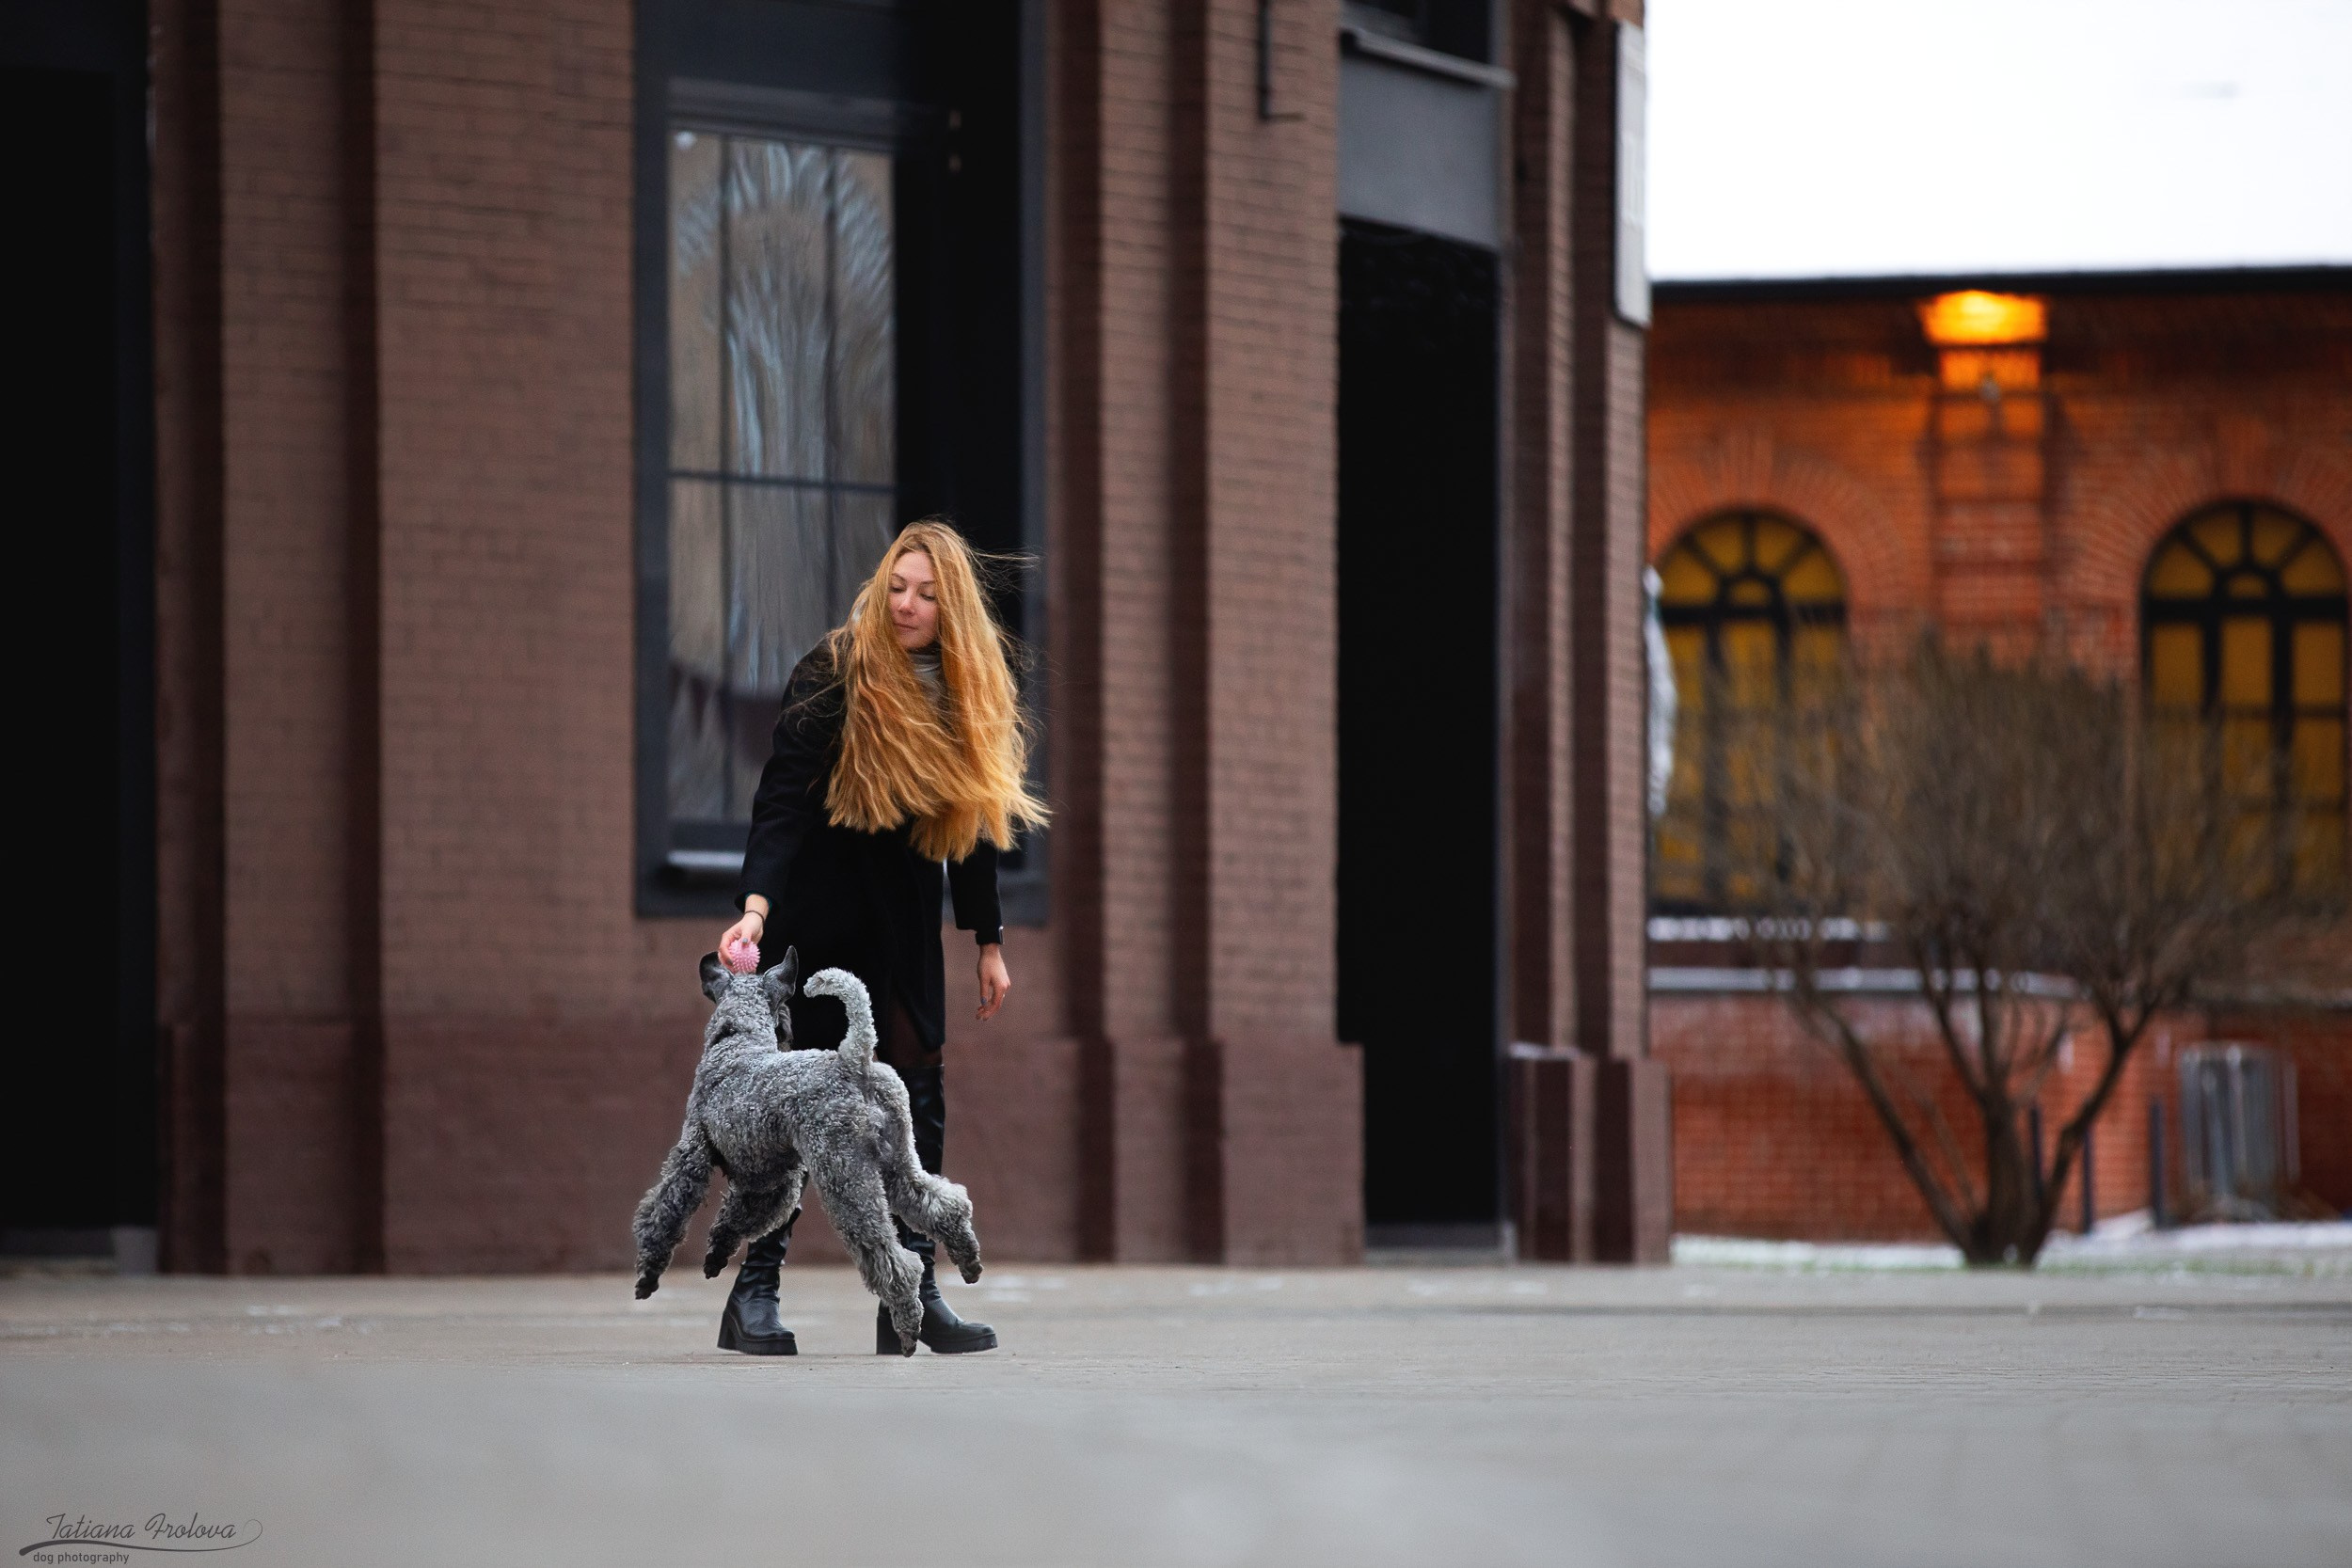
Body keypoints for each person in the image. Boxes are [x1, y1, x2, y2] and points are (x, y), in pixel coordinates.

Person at [713, 518, 1046, 1355]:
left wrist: (988, 940)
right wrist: (755, 908)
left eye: (928, 593)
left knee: (913, 1103)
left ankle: (913, 1296)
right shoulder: (835, 672)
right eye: (898, 585)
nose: (907, 604)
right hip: (815, 922)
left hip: (901, 925)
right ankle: (753, 1293)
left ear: (952, 606)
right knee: (793, 1114)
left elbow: (971, 825)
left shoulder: (963, 689)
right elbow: (782, 799)